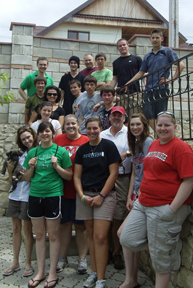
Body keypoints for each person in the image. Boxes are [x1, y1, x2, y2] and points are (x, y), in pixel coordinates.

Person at [120, 111, 193, 288]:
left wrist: (171, 209)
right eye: (160, 125)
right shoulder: (154, 144)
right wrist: (138, 197)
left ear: (175, 127)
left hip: (165, 206)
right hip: (144, 203)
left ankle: (164, 248)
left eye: (167, 125)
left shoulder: (181, 148)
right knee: (126, 238)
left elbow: (189, 180)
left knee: (160, 259)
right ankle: (164, 243)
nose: (162, 128)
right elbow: (147, 173)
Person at [23, 122, 72, 288]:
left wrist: (56, 166)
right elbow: (26, 177)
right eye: (42, 132)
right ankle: (40, 271)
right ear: (38, 134)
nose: (45, 134)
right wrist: (30, 167)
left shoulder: (61, 151)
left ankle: (52, 273)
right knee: (39, 233)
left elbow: (69, 176)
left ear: (52, 133)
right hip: (35, 195)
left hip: (53, 195)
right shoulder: (33, 152)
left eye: (47, 131)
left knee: (53, 235)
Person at [74, 117, 121, 288]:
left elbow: (113, 173)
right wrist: (81, 196)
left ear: (101, 128)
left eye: (95, 128)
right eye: (89, 128)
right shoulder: (82, 150)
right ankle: (94, 272)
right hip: (86, 197)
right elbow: (77, 176)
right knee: (91, 235)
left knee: (101, 237)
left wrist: (101, 195)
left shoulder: (108, 146)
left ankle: (101, 279)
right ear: (85, 130)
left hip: (105, 196)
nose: (92, 131)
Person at [117, 113, 153, 288]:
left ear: (144, 125)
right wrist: (130, 195)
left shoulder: (148, 143)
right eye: (132, 125)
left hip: (145, 195)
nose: (135, 128)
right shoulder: (136, 144)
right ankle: (132, 279)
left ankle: (131, 279)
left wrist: (138, 195)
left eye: (138, 124)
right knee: (129, 236)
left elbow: (149, 172)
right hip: (136, 195)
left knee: (123, 234)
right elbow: (134, 172)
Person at [125, 29, 185, 129]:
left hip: (161, 89)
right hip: (148, 90)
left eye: (157, 38)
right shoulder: (148, 56)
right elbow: (141, 73)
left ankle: (160, 136)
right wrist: (128, 83)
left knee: (160, 115)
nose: (155, 40)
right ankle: (158, 135)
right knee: (147, 115)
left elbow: (181, 65)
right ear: (150, 39)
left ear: (161, 39)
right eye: (153, 38)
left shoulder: (167, 51)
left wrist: (171, 80)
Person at [53, 115, 89, 274]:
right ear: (64, 125)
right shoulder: (58, 139)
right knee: (64, 225)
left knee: (81, 226)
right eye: (67, 124)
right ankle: (62, 257)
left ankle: (82, 259)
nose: (70, 126)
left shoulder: (86, 141)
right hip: (62, 189)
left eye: (73, 123)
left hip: (80, 190)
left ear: (78, 124)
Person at [3, 126, 37, 278]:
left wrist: (23, 174)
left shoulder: (37, 152)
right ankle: (15, 262)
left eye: (29, 137)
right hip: (15, 195)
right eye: (23, 139)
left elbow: (29, 177)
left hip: (29, 196)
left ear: (33, 136)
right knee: (16, 229)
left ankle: (28, 262)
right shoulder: (19, 155)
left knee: (27, 230)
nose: (27, 140)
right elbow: (12, 180)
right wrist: (10, 172)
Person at [101, 106, 132, 270]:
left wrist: (126, 152)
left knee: (119, 214)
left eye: (119, 115)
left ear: (124, 117)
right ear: (110, 117)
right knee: (105, 214)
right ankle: (105, 250)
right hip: (105, 177)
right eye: (114, 115)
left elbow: (135, 148)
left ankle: (116, 252)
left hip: (122, 177)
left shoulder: (129, 132)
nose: (116, 118)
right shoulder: (102, 134)